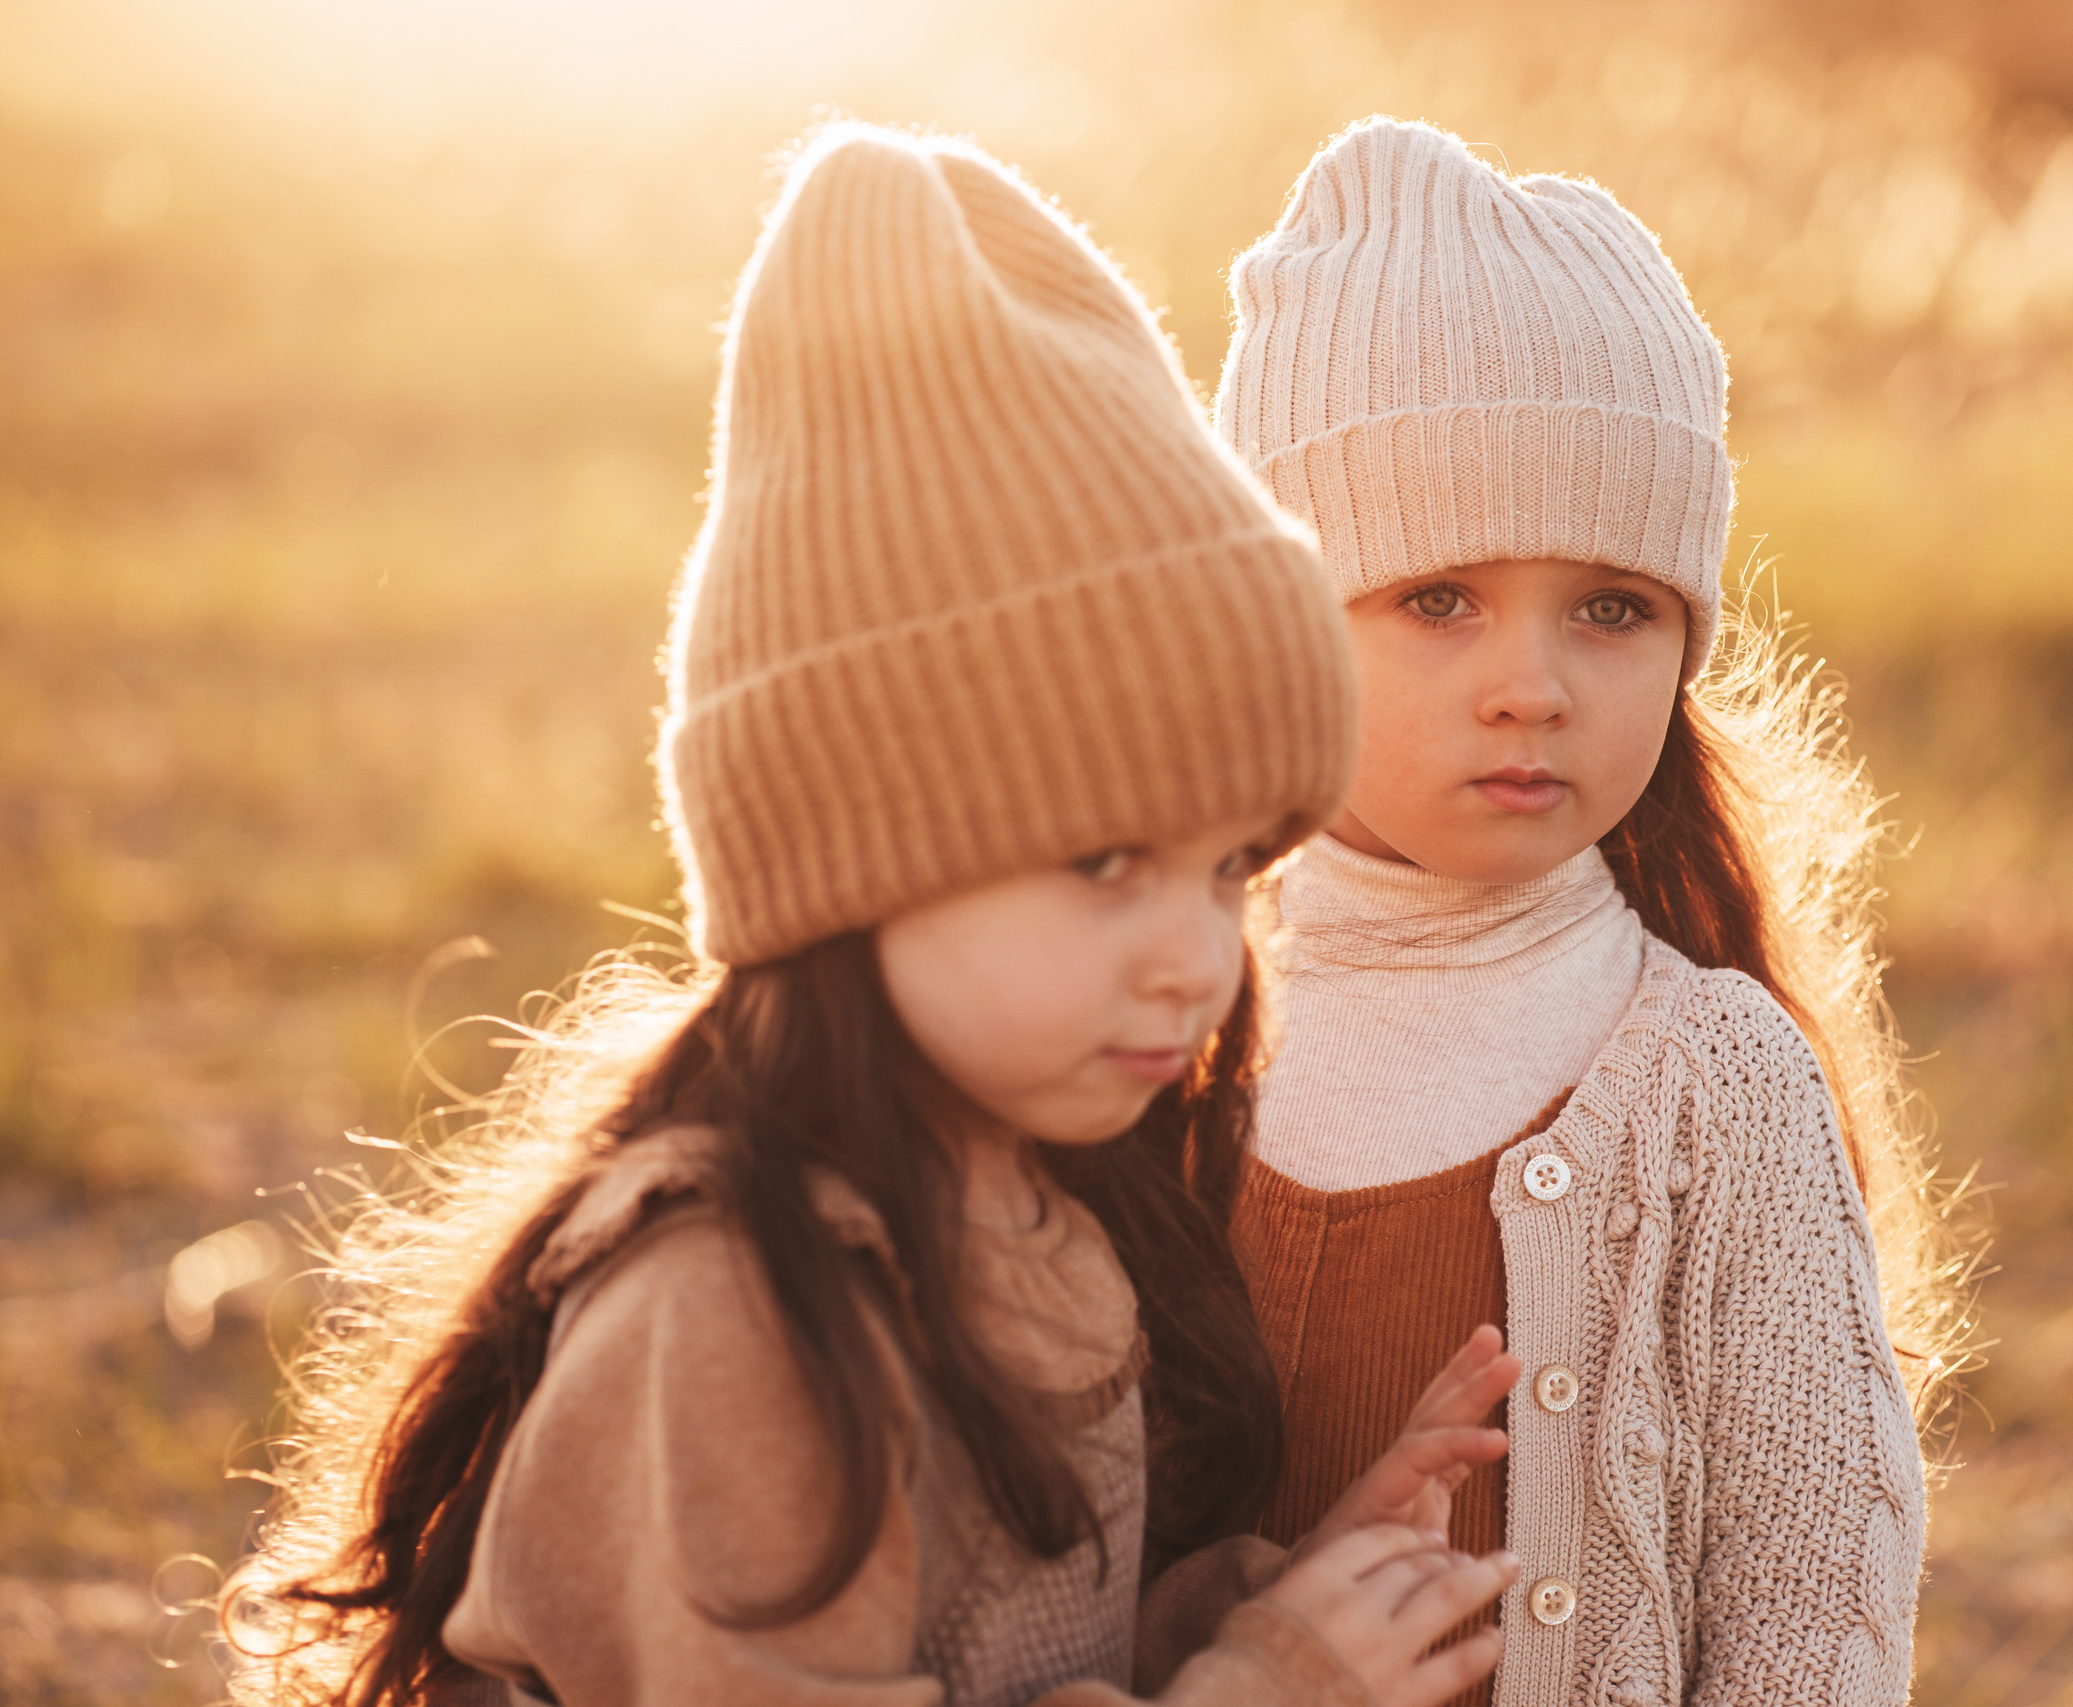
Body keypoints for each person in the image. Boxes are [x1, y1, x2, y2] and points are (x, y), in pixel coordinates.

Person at [218, 125, 1522, 1707]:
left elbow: (1020, 1649)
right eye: (1104, 860)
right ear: (856, 854)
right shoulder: (732, 1312)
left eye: (1229, 869)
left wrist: (1278, 1604)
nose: (1195, 952)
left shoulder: (1053, 1211)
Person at [1207, 117, 1971, 1706]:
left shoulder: (1713, 1080)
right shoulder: (1149, 1031)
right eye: (1437, 600)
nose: (1532, 689)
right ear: (1274, 623)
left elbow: (1808, 1604)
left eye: (1612, 609)